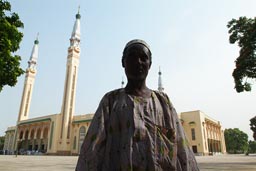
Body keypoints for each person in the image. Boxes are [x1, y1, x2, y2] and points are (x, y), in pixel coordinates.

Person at [76, 39, 199, 171]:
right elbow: (91, 152)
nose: (138, 62)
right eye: (132, 57)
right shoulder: (110, 102)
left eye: (143, 58)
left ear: (149, 64)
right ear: (123, 62)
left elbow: (182, 151)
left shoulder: (164, 103)